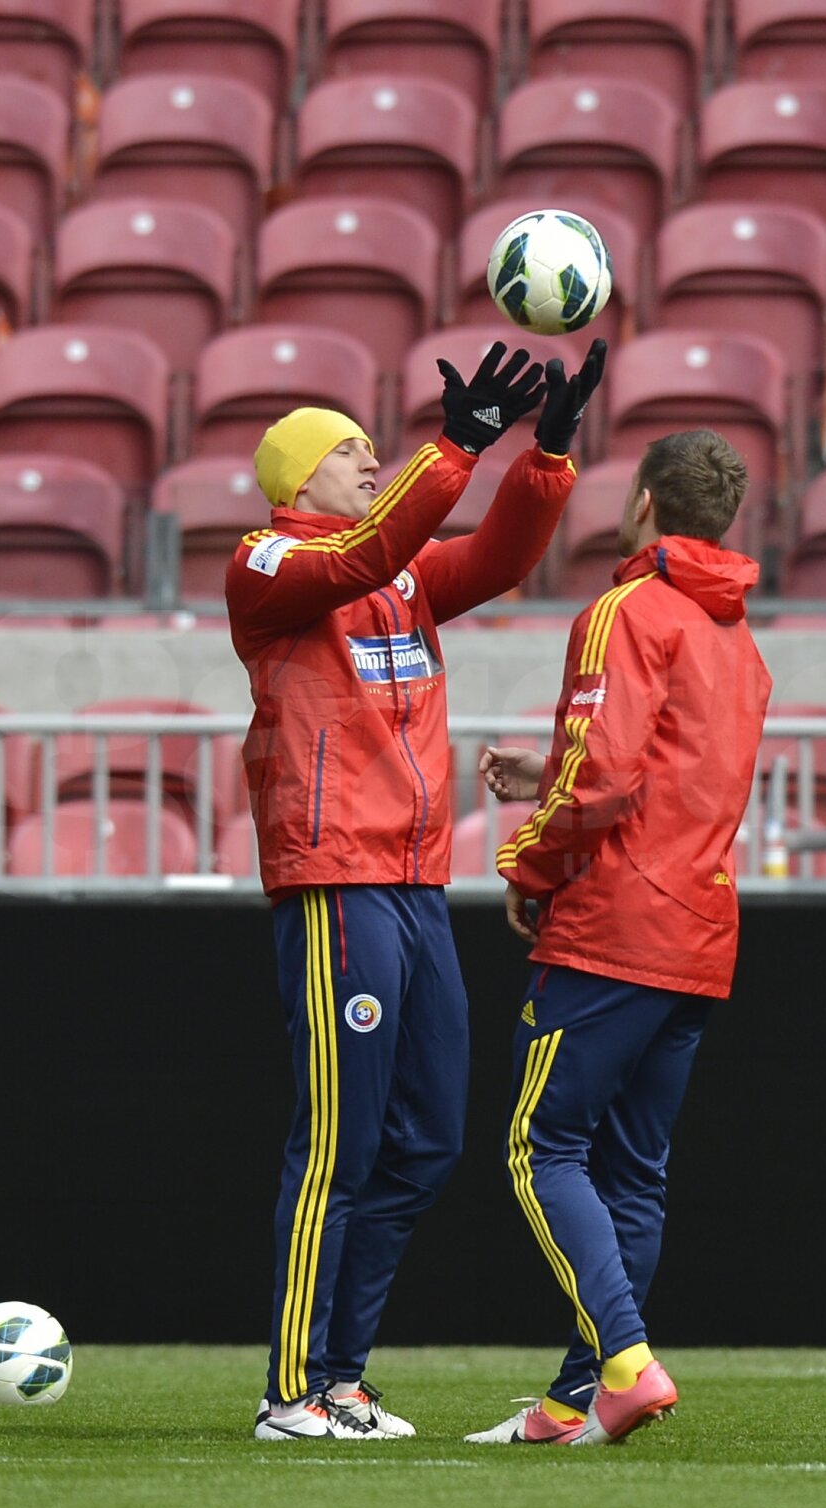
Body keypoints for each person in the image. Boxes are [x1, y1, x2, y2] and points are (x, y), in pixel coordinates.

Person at [226, 338, 607, 1442]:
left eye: (368, 448)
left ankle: (343, 1376)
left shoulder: (392, 567)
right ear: (296, 480)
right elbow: (357, 555)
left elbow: (496, 559)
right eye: (346, 452)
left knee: (428, 1140)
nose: (366, 460)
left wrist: (546, 454)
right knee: (336, 1144)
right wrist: (453, 449)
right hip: (336, 874)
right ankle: (288, 1389)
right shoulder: (265, 564)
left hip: (414, 882)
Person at [467, 428, 772, 1446]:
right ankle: (568, 1402)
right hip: (699, 932)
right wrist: (542, 770)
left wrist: (529, 864)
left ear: (643, 503)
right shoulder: (739, 641)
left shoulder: (624, 612)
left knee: (539, 1144)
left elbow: (603, 781)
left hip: (611, 927)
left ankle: (629, 1363)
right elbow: (649, 770)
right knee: (633, 1171)